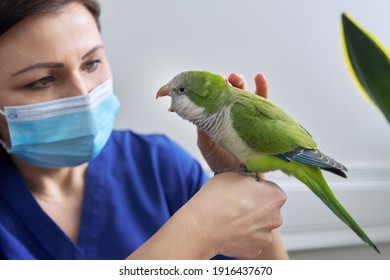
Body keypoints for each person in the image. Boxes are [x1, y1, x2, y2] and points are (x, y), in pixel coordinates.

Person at [0, 0, 288, 260]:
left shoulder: (160, 165)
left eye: (92, 63)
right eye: (42, 80)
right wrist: (196, 232)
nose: (84, 94)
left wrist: (249, 181)